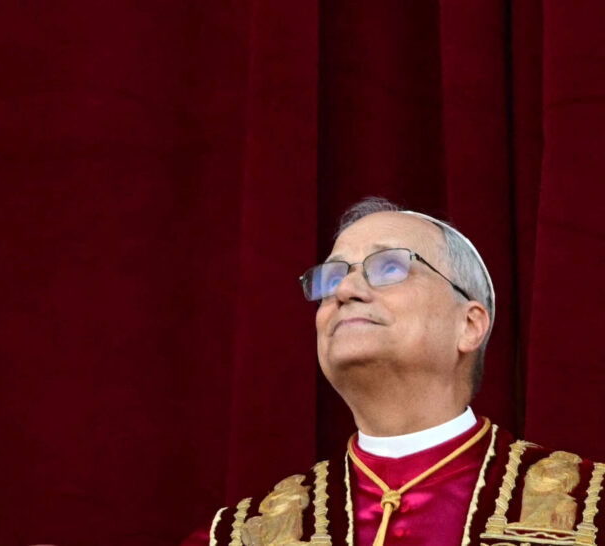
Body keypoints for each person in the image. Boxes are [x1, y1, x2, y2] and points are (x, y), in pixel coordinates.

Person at [203, 198, 605, 546]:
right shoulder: (238, 534)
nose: (345, 291)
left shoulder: (592, 507)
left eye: (389, 267)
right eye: (332, 278)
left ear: (468, 325)